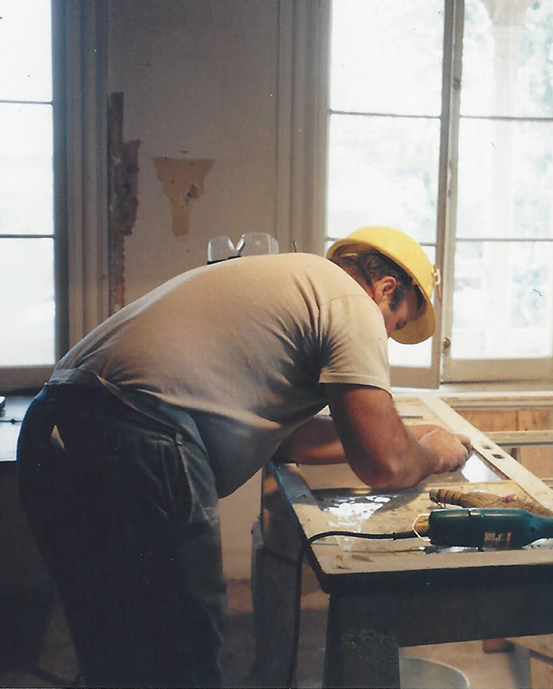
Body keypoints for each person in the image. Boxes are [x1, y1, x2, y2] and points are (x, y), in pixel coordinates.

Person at [16, 226, 472, 687]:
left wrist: (404, 437)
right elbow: (385, 465)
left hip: (52, 425)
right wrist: (428, 454)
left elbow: (290, 438)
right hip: (139, 437)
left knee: (112, 645)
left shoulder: (295, 284)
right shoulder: (351, 303)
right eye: (395, 325)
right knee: (181, 648)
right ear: (386, 289)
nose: (386, 338)